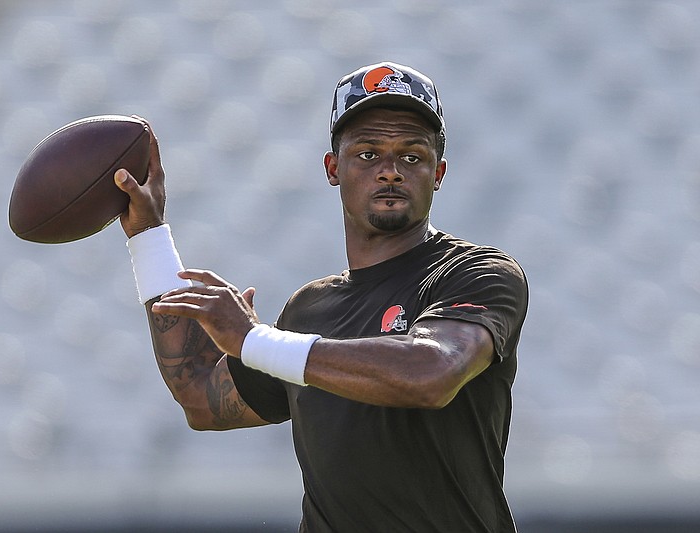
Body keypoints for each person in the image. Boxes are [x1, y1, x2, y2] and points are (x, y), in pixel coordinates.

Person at [113, 61, 528, 532]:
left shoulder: (475, 272)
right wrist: (147, 236)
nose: (390, 171)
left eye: (412, 156)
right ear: (333, 168)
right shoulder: (308, 310)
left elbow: (432, 372)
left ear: (439, 172)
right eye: (368, 154)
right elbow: (202, 400)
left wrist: (254, 340)